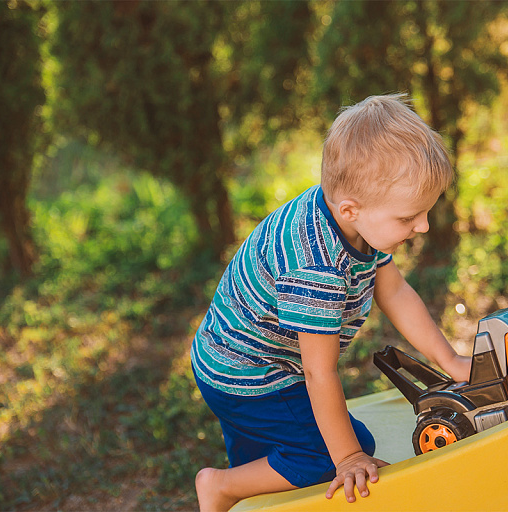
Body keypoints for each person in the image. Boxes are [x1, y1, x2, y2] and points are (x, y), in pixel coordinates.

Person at [191, 93, 472, 511]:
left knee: (270, 468)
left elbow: (394, 292)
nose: (423, 226)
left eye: (425, 212)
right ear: (351, 209)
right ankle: (219, 487)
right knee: (333, 453)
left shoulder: (351, 216)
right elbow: (317, 372)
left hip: (228, 357)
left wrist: (451, 363)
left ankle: (243, 490)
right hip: (251, 376)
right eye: (408, 217)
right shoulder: (316, 267)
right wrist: (348, 457)